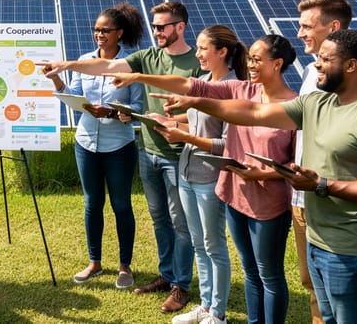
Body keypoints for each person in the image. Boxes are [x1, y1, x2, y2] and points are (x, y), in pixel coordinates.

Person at [156, 29, 357, 324]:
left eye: (326, 59)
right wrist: (195, 102)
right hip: (319, 242)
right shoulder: (316, 104)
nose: (316, 64)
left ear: (351, 65)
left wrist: (323, 185)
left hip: (356, 252)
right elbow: (254, 112)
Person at [110, 34, 298, 324]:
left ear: (278, 64)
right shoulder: (241, 90)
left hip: (269, 204)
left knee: (269, 275)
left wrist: (265, 173)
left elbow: (297, 163)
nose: (251, 64)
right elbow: (192, 85)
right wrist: (139, 77)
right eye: (250, 58)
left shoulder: (295, 106)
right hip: (236, 196)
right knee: (250, 271)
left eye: (257, 60)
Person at [40, 1, 202, 314]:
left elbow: (148, 105)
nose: (156, 32)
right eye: (154, 27)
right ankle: (160, 274)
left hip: (154, 150)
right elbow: (96, 74)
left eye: (162, 27)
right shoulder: (141, 58)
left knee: (171, 220)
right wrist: (62, 70)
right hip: (127, 147)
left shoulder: (178, 62)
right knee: (154, 216)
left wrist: (117, 113)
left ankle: (174, 282)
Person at [293, 0, 357, 324]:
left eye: (306, 26)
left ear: (332, 27)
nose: (300, 33)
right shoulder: (310, 72)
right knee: (313, 284)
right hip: (305, 196)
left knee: (341, 295)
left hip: (337, 207)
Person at [149, 25, 247, 324]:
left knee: (214, 245)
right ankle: (205, 306)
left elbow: (228, 144)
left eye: (204, 48)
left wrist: (184, 137)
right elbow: (196, 125)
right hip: (187, 173)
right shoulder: (202, 83)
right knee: (198, 243)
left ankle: (218, 313)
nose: (199, 54)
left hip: (210, 177)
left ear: (222, 51)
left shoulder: (235, 90)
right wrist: (169, 123)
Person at [43, 2, 145, 289]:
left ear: (119, 33)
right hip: (86, 143)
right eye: (96, 30)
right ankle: (94, 263)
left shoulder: (131, 64)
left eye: (105, 30)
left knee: (121, 205)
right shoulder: (83, 61)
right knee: (92, 204)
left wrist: (112, 112)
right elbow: (74, 95)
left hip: (119, 146)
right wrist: (57, 80)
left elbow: (138, 107)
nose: (99, 35)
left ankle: (125, 266)